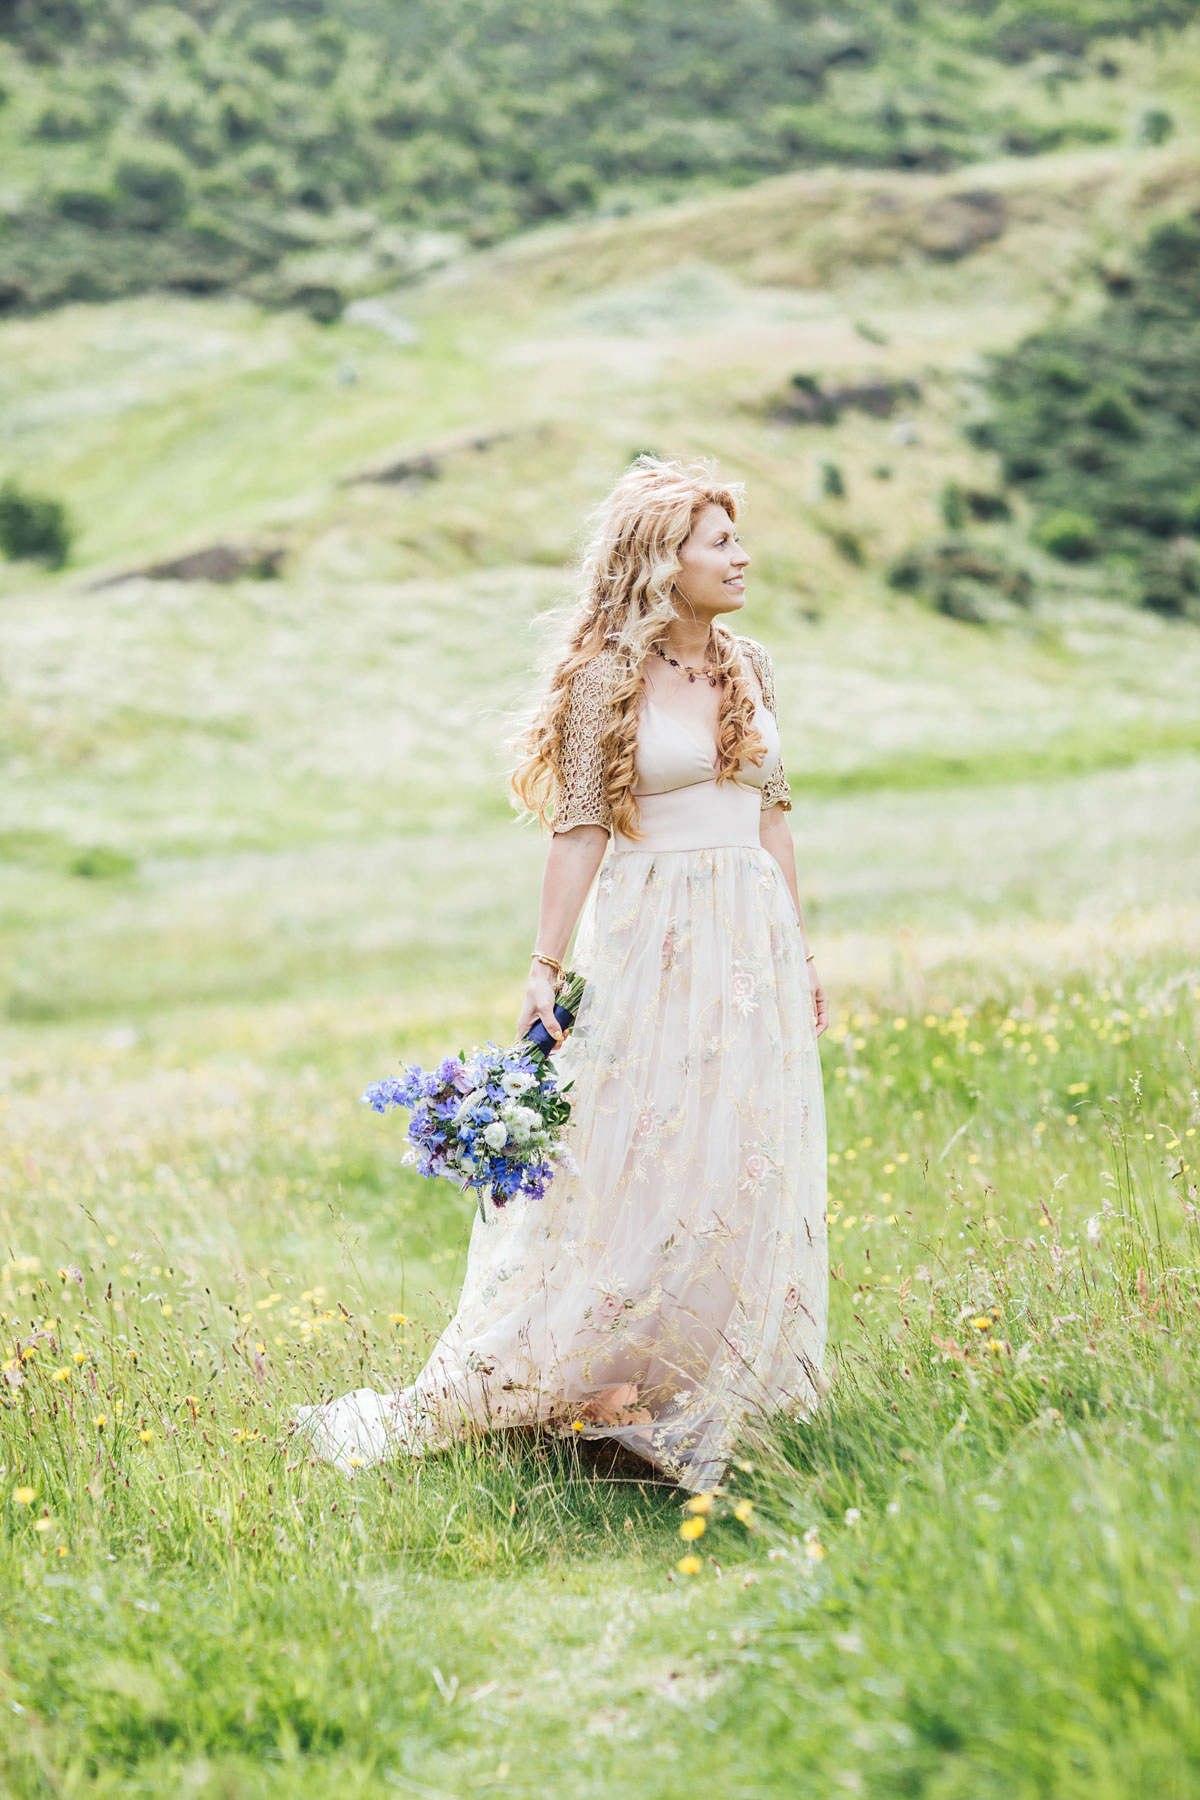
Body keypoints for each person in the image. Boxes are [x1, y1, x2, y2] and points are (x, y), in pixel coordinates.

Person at [294, 456, 828, 1492]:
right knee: (636, 1146)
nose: (741, 556)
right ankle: (586, 1378)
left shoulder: (750, 663)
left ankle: (701, 1380)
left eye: (736, 538)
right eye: (720, 541)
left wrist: (798, 952)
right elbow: (579, 829)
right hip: (651, 935)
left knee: (738, 1150)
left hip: (747, 940)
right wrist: (544, 964)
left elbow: (773, 815)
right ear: (662, 561)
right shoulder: (605, 682)